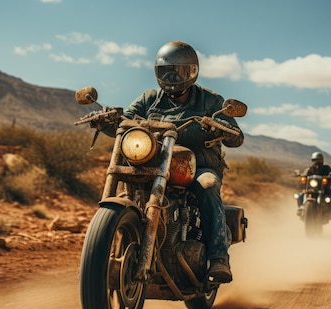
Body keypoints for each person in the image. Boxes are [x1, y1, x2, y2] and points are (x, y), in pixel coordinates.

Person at [98, 40, 244, 283]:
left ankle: (219, 257)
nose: (173, 76)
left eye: (180, 71)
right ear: (158, 72)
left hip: (198, 166)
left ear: (192, 72)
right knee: (130, 186)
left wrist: (225, 129)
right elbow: (128, 119)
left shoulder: (210, 101)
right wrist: (107, 120)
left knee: (207, 187)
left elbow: (235, 136)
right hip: (153, 164)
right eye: (167, 71)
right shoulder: (149, 99)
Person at [296, 152, 331, 217]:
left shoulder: (326, 168)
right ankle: (301, 208)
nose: (317, 162)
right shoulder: (310, 169)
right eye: (315, 160)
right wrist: (301, 175)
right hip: (311, 188)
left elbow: (330, 173)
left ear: (322, 160)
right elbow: (305, 174)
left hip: (324, 188)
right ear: (312, 161)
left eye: (319, 160)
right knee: (299, 195)